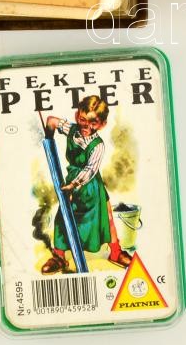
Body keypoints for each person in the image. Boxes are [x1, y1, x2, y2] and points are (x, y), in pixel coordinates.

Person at [40, 95, 132, 273]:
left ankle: (116, 252)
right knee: (63, 218)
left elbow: (90, 170)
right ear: (77, 115)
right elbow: (51, 121)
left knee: (107, 218)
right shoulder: (72, 130)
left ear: (102, 124)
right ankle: (59, 257)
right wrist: (49, 138)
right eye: (83, 120)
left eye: (93, 123)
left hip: (91, 186)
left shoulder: (98, 146)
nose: (86, 126)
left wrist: (73, 185)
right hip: (71, 183)